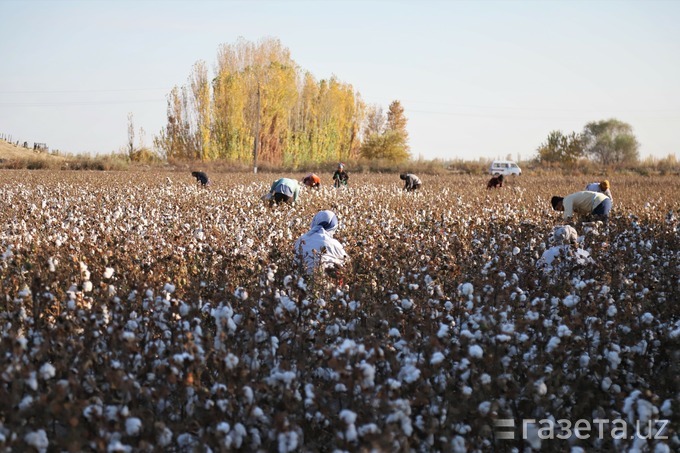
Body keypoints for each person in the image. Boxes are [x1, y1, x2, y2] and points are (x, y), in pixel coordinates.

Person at [294, 210, 348, 277]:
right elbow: (346, 262)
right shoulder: (334, 244)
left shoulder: (300, 239)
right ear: (333, 226)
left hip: (299, 280)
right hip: (324, 281)